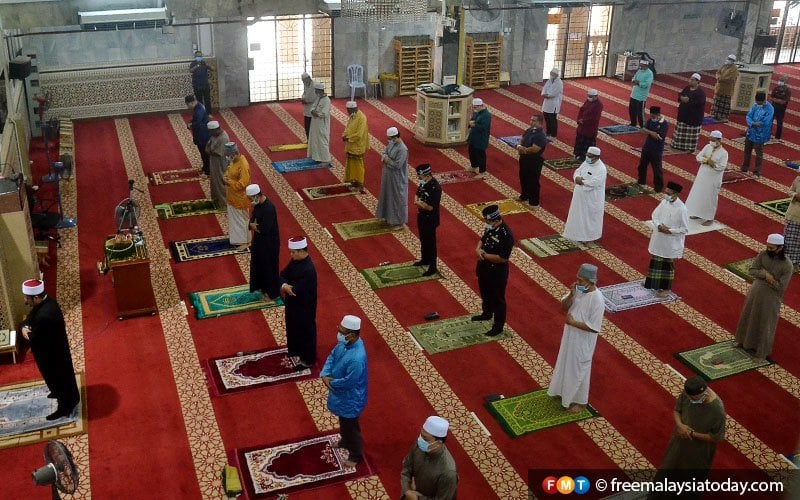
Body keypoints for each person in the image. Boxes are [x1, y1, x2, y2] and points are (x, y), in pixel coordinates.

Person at [650, 376, 726, 500]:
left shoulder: (717, 410)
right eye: (689, 397)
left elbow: (717, 438)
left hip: (698, 452)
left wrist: (691, 434)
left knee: (689, 481)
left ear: (704, 393)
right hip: (678, 443)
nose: (690, 400)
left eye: (694, 399)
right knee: (667, 472)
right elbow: (677, 410)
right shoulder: (689, 393)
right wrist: (680, 425)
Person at [547, 264, 604, 413]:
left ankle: (580, 402)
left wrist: (572, 323)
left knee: (579, 370)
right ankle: (562, 392)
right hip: (570, 337)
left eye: (581, 280)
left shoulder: (597, 300)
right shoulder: (578, 290)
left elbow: (594, 327)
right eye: (577, 279)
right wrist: (571, 295)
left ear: (591, 282)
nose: (578, 283)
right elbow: (563, 308)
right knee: (565, 364)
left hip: (583, 341)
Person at [20, 279, 80, 421]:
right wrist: (25, 326)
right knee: (57, 379)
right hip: (54, 351)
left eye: (27, 298)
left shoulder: (45, 315)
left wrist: (25, 331)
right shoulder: (46, 302)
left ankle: (65, 407)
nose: (25, 301)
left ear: (36, 297)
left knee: (58, 379)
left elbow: (35, 337)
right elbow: (30, 318)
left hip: (52, 356)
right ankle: (57, 392)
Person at [734, 234, 794, 363]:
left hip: (771, 297)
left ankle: (761, 353)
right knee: (748, 316)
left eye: (771, 248)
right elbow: (752, 270)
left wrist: (769, 279)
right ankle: (742, 341)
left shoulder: (787, 265)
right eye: (768, 247)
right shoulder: (763, 254)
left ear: (780, 248)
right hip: (756, 291)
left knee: (766, 323)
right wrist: (765, 275)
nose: (768, 250)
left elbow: (781, 287)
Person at [321, 315, 368, 468]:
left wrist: (331, 382)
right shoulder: (344, 344)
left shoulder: (357, 358)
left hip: (350, 398)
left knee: (351, 427)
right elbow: (332, 356)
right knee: (344, 422)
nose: (339, 334)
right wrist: (325, 374)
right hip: (341, 394)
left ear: (352, 335)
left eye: (342, 332)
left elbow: (349, 381)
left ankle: (355, 454)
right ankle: (345, 441)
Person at [472, 204, 514, 337]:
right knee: (485, 293)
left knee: (497, 299)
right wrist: (478, 249)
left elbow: (502, 258)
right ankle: (487, 313)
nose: (487, 224)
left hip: (497, 272)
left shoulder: (506, 235)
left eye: (488, 221)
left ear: (496, 220)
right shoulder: (491, 227)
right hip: (484, 268)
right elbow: (483, 239)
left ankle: (498, 326)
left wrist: (484, 255)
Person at [644, 181, 689, 298]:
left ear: (675, 194)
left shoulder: (682, 209)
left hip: (670, 242)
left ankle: (666, 289)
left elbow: (685, 229)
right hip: (659, 238)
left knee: (666, 266)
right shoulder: (664, 202)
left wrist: (670, 231)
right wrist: (659, 225)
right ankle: (652, 283)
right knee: (656, 261)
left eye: (668, 193)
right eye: (666, 192)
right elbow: (655, 215)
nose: (666, 195)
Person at [280, 236, 317, 370]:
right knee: (293, 327)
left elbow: (295, 291)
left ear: (302, 251)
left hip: (304, 307)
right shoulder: (295, 262)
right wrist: (284, 285)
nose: (291, 255)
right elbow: (282, 275)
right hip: (292, 305)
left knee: (305, 331)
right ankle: (295, 351)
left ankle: (308, 359)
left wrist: (287, 287)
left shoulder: (308, 269)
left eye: (293, 252)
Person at [400, 416, 458, 499]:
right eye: (421, 435)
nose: (420, 439)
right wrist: (407, 489)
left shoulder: (448, 471)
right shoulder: (419, 445)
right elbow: (406, 466)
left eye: (425, 438)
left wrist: (417, 498)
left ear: (438, 443)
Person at [562, 147, 607, 243]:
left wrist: (582, 182)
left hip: (591, 199)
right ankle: (576, 235)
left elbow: (595, 182)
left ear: (596, 157)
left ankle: (589, 238)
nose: (587, 158)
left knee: (589, 219)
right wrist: (576, 178)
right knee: (577, 216)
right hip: (579, 197)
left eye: (590, 156)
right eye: (587, 155)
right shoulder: (586, 163)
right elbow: (577, 171)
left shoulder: (601, 169)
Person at [685, 131, 728, 226]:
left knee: (710, 198)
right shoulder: (707, 147)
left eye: (713, 140)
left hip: (713, 179)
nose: (711, 141)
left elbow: (722, 166)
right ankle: (698, 213)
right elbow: (698, 157)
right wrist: (707, 160)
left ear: (719, 140)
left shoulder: (724, 153)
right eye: (710, 139)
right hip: (702, 175)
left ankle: (709, 218)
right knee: (699, 194)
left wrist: (713, 164)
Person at [247, 183, 281, 301]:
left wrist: (253, 226)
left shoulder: (269, 208)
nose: (250, 201)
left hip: (270, 243)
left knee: (269, 268)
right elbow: (252, 221)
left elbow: (265, 229)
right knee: (259, 264)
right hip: (259, 241)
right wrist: (252, 225)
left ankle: (272, 294)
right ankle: (262, 287)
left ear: (256, 195)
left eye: (250, 198)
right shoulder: (258, 205)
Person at [376, 126, 409, 229]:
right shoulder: (392, 144)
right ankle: (388, 217)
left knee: (396, 199)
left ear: (395, 137)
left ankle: (398, 222)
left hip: (397, 178)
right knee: (387, 196)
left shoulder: (402, 149)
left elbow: (398, 165)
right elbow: (384, 153)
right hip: (388, 176)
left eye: (390, 139)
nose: (389, 141)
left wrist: (387, 160)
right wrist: (385, 158)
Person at [413, 164, 442, 277]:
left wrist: (419, 203)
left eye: (420, 176)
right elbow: (416, 195)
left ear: (426, 175)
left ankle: (433, 266)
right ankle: (425, 259)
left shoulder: (435, 188)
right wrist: (418, 202)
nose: (419, 178)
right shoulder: (423, 183)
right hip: (421, 215)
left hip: (430, 218)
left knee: (431, 243)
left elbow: (430, 207)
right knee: (423, 239)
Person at [515, 114, 548, 207]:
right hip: (524, 158)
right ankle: (524, 196)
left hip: (534, 160)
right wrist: (519, 146)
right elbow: (522, 139)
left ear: (540, 122)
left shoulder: (541, 135)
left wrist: (524, 150)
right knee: (523, 177)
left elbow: (535, 149)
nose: (531, 122)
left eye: (534, 120)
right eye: (531, 120)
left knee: (533, 181)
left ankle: (534, 202)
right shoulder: (529, 130)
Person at [740, 91, 774, 178]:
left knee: (758, 153)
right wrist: (752, 123)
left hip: (761, 134)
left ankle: (757, 171)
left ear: (764, 100)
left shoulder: (770, 108)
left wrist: (757, 124)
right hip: (751, 131)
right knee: (747, 150)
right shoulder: (755, 105)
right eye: (757, 102)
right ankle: (744, 167)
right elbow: (748, 116)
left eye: (759, 103)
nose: (758, 104)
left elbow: (766, 121)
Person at [223, 142, 251, 250]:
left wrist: (229, 182)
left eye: (228, 155)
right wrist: (226, 178)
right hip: (232, 196)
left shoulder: (243, 165)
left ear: (234, 154)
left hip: (240, 198)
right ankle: (237, 239)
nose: (227, 158)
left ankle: (246, 242)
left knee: (242, 221)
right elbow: (229, 172)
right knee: (235, 220)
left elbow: (243, 184)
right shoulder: (234, 161)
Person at [636, 106, 669, 193]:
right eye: (651, 116)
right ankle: (641, 182)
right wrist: (651, 132)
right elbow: (642, 130)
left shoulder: (664, 124)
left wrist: (648, 131)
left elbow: (657, 137)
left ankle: (658, 188)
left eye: (653, 116)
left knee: (657, 170)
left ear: (658, 114)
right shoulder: (650, 120)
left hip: (656, 150)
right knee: (642, 166)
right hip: (647, 147)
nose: (652, 118)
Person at [671, 73, 706, 152]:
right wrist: (681, 98)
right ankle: (678, 145)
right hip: (683, 114)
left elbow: (699, 103)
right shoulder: (687, 88)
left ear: (698, 82)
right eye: (690, 79)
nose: (690, 81)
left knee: (690, 135)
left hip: (693, 117)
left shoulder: (700, 93)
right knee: (681, 131)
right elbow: (681, 94)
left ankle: (689, 148)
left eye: (692, 80)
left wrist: (688, 100)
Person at [342, 100, 369, 191]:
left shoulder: (362, 118)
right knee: (351, 164)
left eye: (348, 110)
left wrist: (348, 138)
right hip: (351, 145)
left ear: (353, 109)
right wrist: (344, 135)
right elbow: (348, 128)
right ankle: (353, 181)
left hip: (358, 145)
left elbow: (359, 134)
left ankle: (359, 184)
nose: (348, 112)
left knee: (358, 165)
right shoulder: (352, 116)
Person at [573, 88, 603, 161]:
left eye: (591, 96)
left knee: (587, 143)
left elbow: (595, 118)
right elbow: (582, 110)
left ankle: (585, 157)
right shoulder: (588, 101)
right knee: (580, 141)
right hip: (582, 126)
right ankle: (578, 154)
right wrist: (579, 119)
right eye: (588, 96)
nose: (589, 98)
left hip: (590, 128)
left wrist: (584, 121)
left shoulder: (599, 105)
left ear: (596, 96)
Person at [205, 120, 229, 208]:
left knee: (220, 182)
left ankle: (223, 203)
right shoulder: (215, 135)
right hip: (214, 162)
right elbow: (209, 144)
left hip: (220, 163)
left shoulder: (223, 138)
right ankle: (216, 200)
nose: (210, 134)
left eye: (211, 132)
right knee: (215, 181)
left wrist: (209, 151)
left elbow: (219, 153)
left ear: (216, 129)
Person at [185, 94, 210, 176]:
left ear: (192, 102)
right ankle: (205, 167)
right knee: (204, 153)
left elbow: (198, 122)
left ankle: (208, 171)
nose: (188, 107)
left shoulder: (199, 110)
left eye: (188, 104)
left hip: (202, 135)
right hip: (203, 133)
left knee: (204, 153)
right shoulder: (199, 106)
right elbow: (195, 119)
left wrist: (190, 125)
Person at [467, 98, 491, 178]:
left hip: (481, 138)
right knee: (471, 151)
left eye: (476, 107)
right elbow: (472, 119)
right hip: (473, 136)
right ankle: (474, 166)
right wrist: (470, 123)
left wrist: (474, 125)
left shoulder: (486, 115)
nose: (474, 109)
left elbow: (484, 128)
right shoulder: (477, 112)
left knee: (480, 155)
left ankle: (482, 172)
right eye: (473, 107)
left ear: (481, 105)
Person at [711, 54, 739, 122]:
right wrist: (718, 77)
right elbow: (718, 72)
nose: (728, 60)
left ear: (733, 61)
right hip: (719, 87)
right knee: (717, 102)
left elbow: (729, 79)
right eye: (728, 58)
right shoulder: (724, 65)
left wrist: (720, 78)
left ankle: (723, 118)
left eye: (730, 59)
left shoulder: (734, 69)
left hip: (727, 90)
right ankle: (716, 115)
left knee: (724, 104)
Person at [308, 82, 331, 163]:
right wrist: (312, 111)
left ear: (319, 90)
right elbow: (313, 107)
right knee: (315, 140)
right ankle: (317, 157)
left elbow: (325, 113)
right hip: (315, 123)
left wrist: (316, 114)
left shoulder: (327, 100)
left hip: (322, 124)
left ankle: (325, 159)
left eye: (316, 90)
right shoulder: (318, 98)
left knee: (322, 141)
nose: (315, 91)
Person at [629, 59, 654, 127]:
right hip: (634, 94)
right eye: (640, 65)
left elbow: (646, 84)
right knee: (631, 110)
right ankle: (633, 124)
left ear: (646, 65)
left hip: (641, 97)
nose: (640, 67)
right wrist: (634, 81)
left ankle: (642, 126)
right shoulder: (639, 70)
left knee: (640, 113)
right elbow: (634, 78)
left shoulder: (649, 73)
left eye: (642, 65)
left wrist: (638, 83)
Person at [541, 68, 564, 138]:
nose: (551, 75)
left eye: (553, 74)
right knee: (547, 118)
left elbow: (554, 93)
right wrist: (543, 94)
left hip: (554, 104)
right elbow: (544, 88)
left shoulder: (559, 83)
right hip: (547, 103)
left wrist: (547, 95)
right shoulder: (549, 80)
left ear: (556, 75)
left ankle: (553, 134)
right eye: (551, 73)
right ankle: (548, 132)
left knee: (552, 120)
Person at [189, 50, 212, 115]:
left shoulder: (204, 63)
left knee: (207, 99)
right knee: (199, 100)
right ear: (195, 57)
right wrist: (197, 65)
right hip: (197, 85)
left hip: (205, 84)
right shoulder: (193, 63)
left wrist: (208, 65)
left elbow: (213, 69)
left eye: (200, 56)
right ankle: (201, 112)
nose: (199, 57)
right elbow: (191, 70)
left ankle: (208, 113)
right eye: (198, 56)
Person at [769, 75, 791, 141]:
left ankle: (777, 137)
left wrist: (775, 100)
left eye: (782, 80)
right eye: (780, 80)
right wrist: (778, 100)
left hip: (781, 109)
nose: (780, 82)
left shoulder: (787, 90)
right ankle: (768, 134)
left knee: (779, 123)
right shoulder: (776, 88)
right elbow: (771, 97)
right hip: (773, 107)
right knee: (769, 121)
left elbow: (783, 102)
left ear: (785, 82)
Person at [786, 174, 800, 269]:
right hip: (793, 215)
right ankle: (789, 262)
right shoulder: (798, 179)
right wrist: (796, 195)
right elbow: (790, 191)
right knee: (790, 241)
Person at [300, 73, 316, 141]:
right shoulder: (306, 85)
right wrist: (303, 99)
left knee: (312, 127)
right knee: (307, 127)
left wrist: (306, 100)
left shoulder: (314, 86)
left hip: (313, 109)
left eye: (305, 80)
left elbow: (313, 98)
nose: (304, 82)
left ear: (309, 78)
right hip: (306, 110)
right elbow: (304, 93)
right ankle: (308, 140)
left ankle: (313, 141)